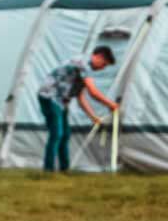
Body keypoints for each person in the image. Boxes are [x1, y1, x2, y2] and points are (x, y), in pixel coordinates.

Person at [37, 45, 118, 173]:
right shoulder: (83, 63)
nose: (102, 68)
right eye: (104, 64)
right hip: (50, 97)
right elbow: (93, 92)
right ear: (99, 56)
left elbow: (81, 97)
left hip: (61, 101)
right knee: (57, 133)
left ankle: (64, 169)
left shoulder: (83, 70)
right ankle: (48, 169)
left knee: (65, 135)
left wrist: (93, 117)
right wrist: (111, 104)